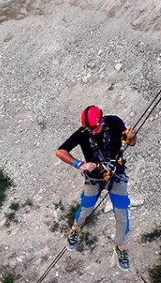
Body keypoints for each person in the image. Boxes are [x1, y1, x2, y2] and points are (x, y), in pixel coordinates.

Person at [54, 105, 138, 271]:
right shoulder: (83, 132)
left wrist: (132, 136)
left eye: (94, 128)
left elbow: (130, 143)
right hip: (94, 177)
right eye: (89, 129)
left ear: (101, 121)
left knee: (122, 214)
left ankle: (120, 246)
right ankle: (76, 228)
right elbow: (60, 151)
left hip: (116, 174)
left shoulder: (114, 122)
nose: (91, 132)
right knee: (86, 207)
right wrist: (79, 164)